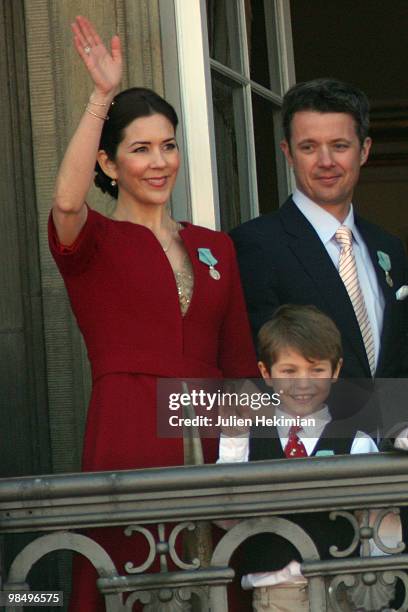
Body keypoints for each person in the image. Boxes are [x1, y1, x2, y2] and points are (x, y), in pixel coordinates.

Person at [49, 16, 258, 612]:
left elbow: (241, 366)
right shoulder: (95, 243)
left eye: (168, 145)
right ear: (110, 166)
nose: (160, 161)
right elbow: (65, 201)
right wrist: (99, 99)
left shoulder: (216, 246)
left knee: (219, 590)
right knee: (128, 588)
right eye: (140, 149)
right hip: (129, 428)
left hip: (215, 433)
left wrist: (319, 419)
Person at [230, 78, 408, 382]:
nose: (326, 162)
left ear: (364, 151)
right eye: (309, 147)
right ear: (288, 153)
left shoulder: (388, 247)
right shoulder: (255, 245)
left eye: (339, 146)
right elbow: (257, 369)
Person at [218, 304, 388, 612]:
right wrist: (233, 442)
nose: (303, 383)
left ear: (335, 371)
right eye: (289, 371)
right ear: (266, 373)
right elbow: (226, 514)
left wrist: (377, 585)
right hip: (275, 591)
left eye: (317, 369)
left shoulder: (356, 441)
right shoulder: (246, 437)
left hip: (342, 588)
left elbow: (373, 524)